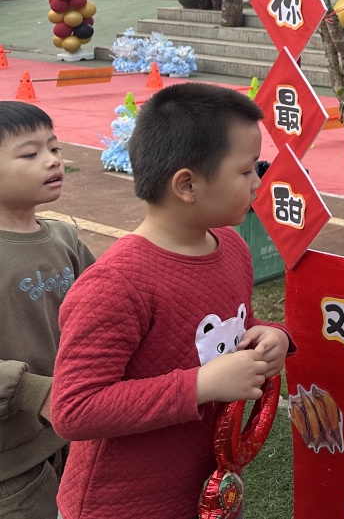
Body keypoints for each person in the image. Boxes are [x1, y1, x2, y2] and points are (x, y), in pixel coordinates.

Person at [50, 85, 291, 519]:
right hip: (121, 504)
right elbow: (74, 409)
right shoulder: (116, 283)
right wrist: (201, 385)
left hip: (205, 490)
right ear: (187, 184)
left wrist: (270, 336)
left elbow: (237, 322)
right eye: (245, 171)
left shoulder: (232, 247)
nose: (258, 181)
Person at [0, 103, 95, 519]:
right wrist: (33, 392)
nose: (52, 159)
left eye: (54, 148)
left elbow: (104, 306)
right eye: (30, 153)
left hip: (74, 434)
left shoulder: (64, 237)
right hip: (11, 462)